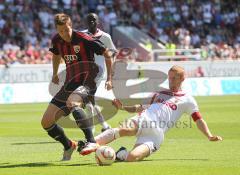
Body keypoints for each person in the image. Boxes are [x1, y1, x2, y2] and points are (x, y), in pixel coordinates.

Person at [88, 65, 222, 161]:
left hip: (156, 135)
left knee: (132, 158)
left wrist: (209, 136)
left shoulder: (188, 99)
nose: (170, 81)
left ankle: (120, 153)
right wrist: (123, 107)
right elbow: (140, 107)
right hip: (145, 119)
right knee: (124, 129)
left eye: (174, 78)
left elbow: (198, 119)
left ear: (182, 79)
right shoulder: (159, 93)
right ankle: (92, 142)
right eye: (169, 78)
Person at [41, 13, 113, 161]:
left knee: (73, 103)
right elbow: (55, 55)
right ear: (57, 30)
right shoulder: (56, 40)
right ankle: (69, 145)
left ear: (71, 26)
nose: (64, 34)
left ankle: (91, 141)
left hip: (88, 81)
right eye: (61, 31)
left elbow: (107, 54)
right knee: (46, 121)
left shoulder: (83, 38)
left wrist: (110, 78)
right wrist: (55, 73)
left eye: (66, 30)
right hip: (69, 83)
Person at [82, 13, 117, 132]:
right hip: (83, 72)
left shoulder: (106, 37)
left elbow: (112, 55)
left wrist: (109, 78)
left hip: (98, 72)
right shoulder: (82, 35)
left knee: (87, 97)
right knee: (88, 99)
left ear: (98, 22)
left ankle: (91, 128)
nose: (91, 22)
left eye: (94, 20)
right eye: (89, 20)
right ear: (85, 22)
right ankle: (104, 125)